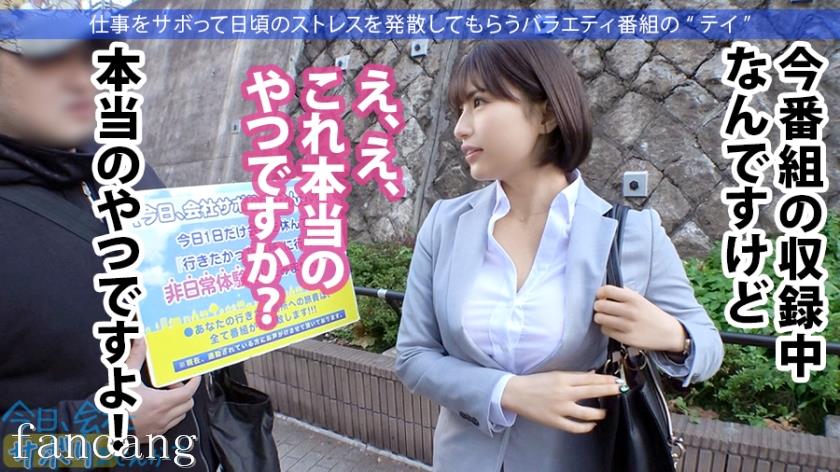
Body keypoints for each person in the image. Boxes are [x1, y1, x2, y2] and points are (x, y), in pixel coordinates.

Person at [394, 40, 725, 471]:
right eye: (460, 109)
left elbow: (708, 347)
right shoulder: (445, 223)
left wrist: (673, 336)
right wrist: (507, 392)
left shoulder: (629, 234)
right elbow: (414, 357)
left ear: (546, 114)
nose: (460, 127)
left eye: (479, 102)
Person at [0, 18, 228, 472]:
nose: (83, 78)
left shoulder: (126, 168)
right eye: (46, 57)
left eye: (92, 57)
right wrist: (96, 431)